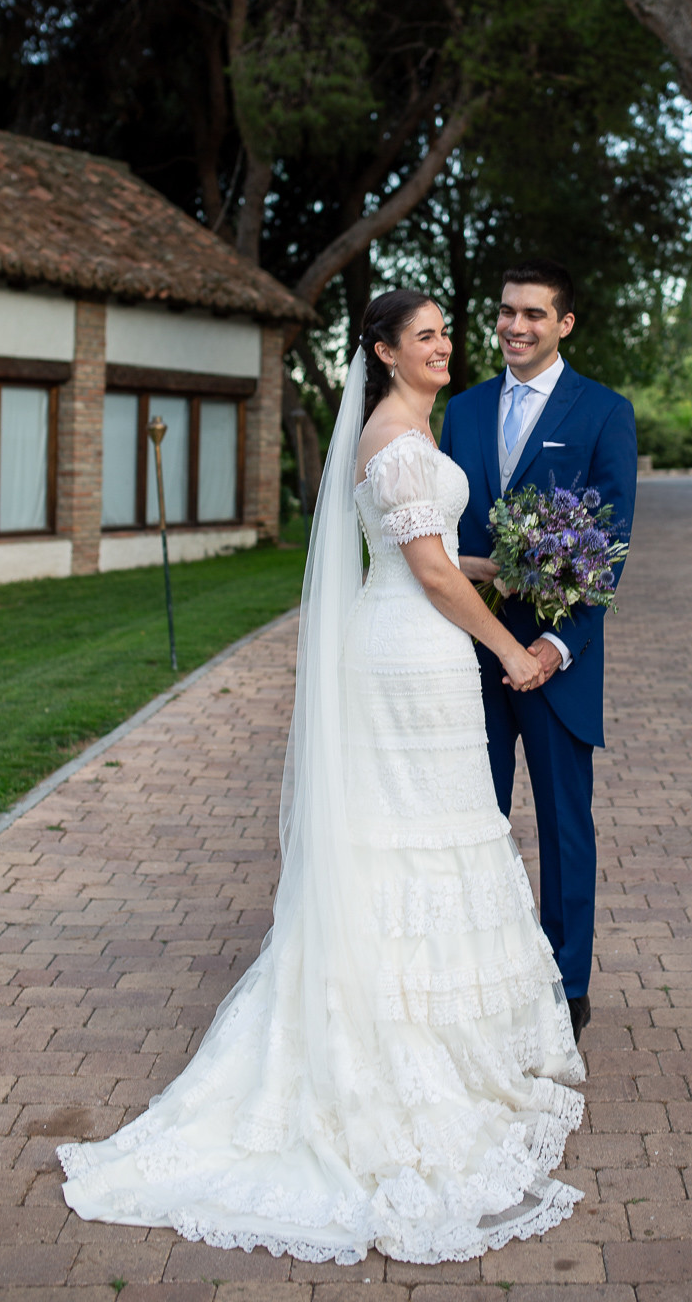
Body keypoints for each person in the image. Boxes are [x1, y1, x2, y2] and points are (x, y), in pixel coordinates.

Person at [57, 290, 585, 1267]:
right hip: (408, 654)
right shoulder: (394, 439)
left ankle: (437, 1027)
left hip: (417, 644)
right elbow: (426, 573)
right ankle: (393, 1043)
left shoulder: (409, 434)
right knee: (414, 835)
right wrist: (511, 646)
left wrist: (509, 565)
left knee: (433, 830)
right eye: (424, 336)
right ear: (383, 352)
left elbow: (432, 554)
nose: (444, 346)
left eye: (445, 333)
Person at [440, 260, 637, 1045]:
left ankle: (567, 986)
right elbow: (445, 529)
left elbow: (610, 546)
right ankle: (476, 975)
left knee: (563, 828)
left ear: (565, 324)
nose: (515, 326)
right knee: (472, 822)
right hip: (469, 653)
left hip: (557, 663)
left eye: (532, 313)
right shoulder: (463, 409)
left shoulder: (605, 412)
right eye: (506, 312)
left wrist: (557, 645)